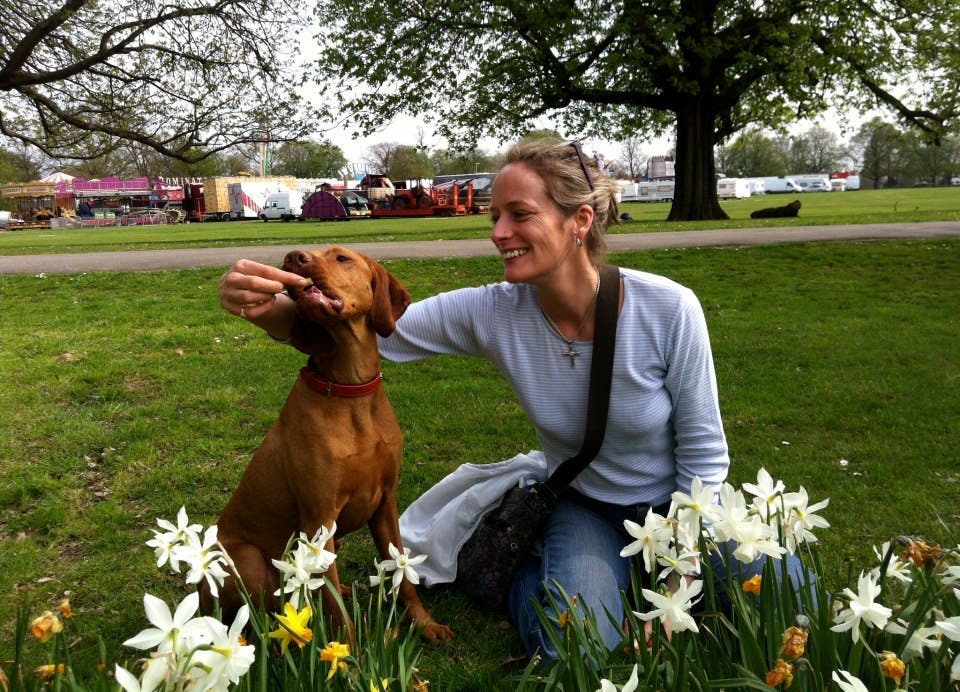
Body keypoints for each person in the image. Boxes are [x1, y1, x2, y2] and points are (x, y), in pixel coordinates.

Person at [218, 139, 805, 662]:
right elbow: (378, 331)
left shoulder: (669, 308)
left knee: (797, 604)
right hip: (584, 505)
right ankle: (523, 571)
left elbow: (704, 455)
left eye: (519, 215)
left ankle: (631, 576)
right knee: (577, 645)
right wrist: (267, 307)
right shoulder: (494, 311)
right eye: (495, 215)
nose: (498, 232)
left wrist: (682, 573)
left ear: (579, 221)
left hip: (684, 508)